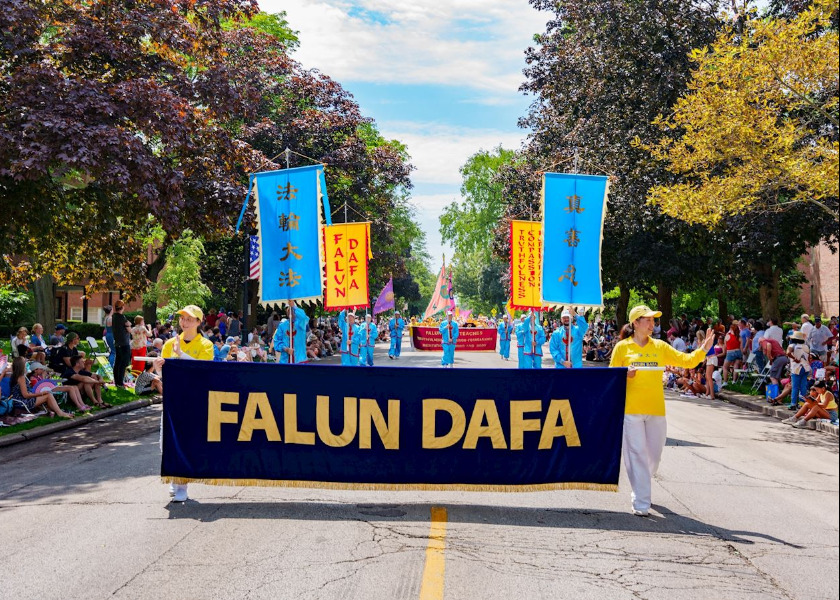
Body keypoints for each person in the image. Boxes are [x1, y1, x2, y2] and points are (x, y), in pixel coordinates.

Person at [609, 305, 714, 516]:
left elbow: (687, 360)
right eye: (648, 320)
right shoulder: (622, 348)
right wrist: (624, 374)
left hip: (656, 410)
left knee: (654, 457)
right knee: (636, 453)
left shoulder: (660, 347)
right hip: (631, 410)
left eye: (653, 320)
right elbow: (611, 376)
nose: (652, 324)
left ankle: (642, 481)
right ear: (635, 323)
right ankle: (641, 500)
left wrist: (703, 350)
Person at [161, 305, 214, 503]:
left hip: (194, 398)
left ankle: (182, 484)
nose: (184, 322)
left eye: (190, 319)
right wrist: (159, 369)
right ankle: (176, 478)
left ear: (199, 322)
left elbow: (203, 369)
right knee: (167, 441)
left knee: (187, 440)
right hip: (173, 397)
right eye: (182, 318)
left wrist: (181, 354)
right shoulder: (169, 344)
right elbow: (165, 374)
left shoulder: (206, 345)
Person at [8, 357, 75, 419]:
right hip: (23, 402)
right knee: (48, 395)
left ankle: (55, 411)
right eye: (25, 364)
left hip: (17, 401)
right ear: (22, 366)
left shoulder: (14, 376)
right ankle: (60, 413)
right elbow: (25, 395)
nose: (26, 366)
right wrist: (41, 394)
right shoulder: (21, 377)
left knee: (47, 395)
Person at [28, 361, 93, 412]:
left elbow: (45, 383)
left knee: (74, 387)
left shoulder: (38, 376)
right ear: (35, 370)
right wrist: (44, 377)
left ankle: (82, 404)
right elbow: (38, 388)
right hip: (45, 391)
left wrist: (47, 377)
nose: (42, 370)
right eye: (41, 369)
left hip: (49, 388)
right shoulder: (33, 378)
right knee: (70, 388)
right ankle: (79, 406)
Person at [786, 330, 811, 410]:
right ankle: (802, 404)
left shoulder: (792, 345)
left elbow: (788, 353)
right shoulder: (806, 346)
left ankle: (793, 403)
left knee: (795, 387)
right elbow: (809, 357)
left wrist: (794, 358)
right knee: (803, 386)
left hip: (797, 368)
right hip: (805, 367)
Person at [111, 300, 131, 387]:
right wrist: (129, 325)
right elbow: (128, 327)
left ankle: (117, 382)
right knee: (123, 363)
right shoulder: (122, 317)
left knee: (118, 362)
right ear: (122, 307)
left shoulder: (114, 316)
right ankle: (120, 382)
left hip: (117, 342)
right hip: (124, 343)